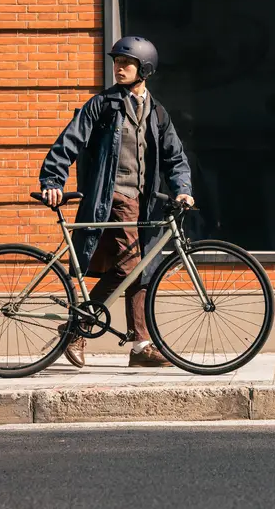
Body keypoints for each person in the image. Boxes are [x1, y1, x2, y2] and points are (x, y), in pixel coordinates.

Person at [38, 36, 195, 368]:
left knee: (141, 269)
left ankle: (140, 347)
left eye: (126, 63)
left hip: (144, 203)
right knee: (131, 265)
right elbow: (69, 141)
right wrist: (53, 179)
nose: (119, 67)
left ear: (144, 69)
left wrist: (182, 187)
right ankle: (78, 327)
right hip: (111, 198)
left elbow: (175, 157)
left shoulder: (156, 113)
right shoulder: (103, 105)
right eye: (116, 62)